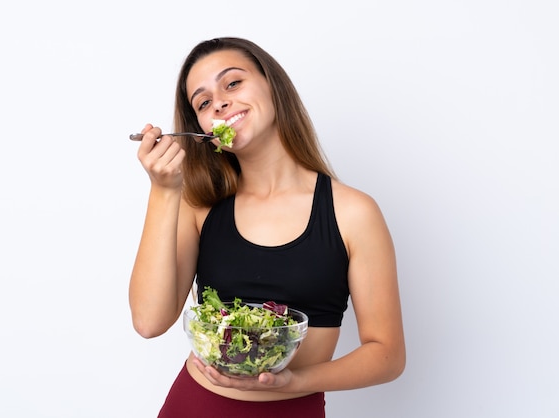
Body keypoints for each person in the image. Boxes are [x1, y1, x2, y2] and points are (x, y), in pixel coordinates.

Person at [129, 37, 405, 417]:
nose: (220, 102)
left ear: (272, 85)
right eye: (204, 102)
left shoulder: (353, 212)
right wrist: (163, 191)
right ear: (204, 128)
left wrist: (296, 381)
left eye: (233, 83)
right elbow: (148, 321)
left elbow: (387, 355)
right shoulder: (201, 208)